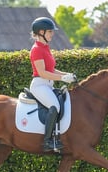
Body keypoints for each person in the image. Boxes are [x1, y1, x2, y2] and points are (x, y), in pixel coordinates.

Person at [29, 17, 76, 152]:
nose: (52, 34)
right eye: (50, 31)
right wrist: (63, 78)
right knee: (54, 105)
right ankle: (47, 141)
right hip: (39, 85)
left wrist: (67, 75)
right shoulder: (36, 49)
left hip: (48, 85)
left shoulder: (45, 47)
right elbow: (43, 73)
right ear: (41, 32)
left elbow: (51, 70)